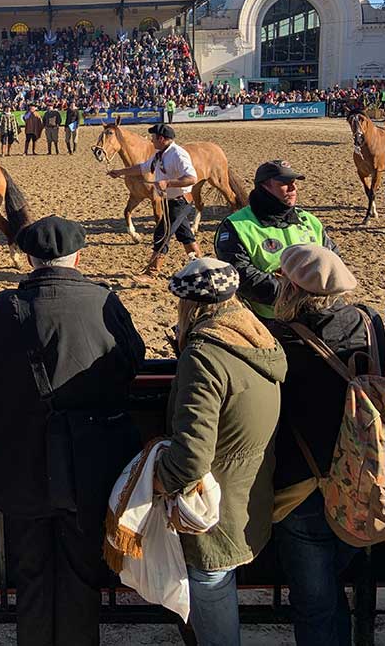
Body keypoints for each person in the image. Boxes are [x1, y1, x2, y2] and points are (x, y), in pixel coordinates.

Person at [0, 216, 144, 646]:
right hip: (88, 462)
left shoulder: (3, 307)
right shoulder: (104, 302)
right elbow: (132, 362)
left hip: (22, 461)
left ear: (29, 259)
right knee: (82, 575)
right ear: (79, 257)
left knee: (30, 575)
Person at [155, 258, 287, 646]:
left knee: (210, 582)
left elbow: (192, 454)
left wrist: (157, 480)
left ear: (190, 306)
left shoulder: (203, 354)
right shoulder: (258, 337)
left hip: (212, 509)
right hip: (248, 494)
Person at [270, 244, 385, 646]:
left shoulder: (277, 340)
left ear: (288, 289)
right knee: (350, 580)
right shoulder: (369, 325)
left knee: (314, 602)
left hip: (300, 488)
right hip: (363, 483)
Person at [215, 160, 338, 320]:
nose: (293, 189)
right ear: (264, 187)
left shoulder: (309, 220)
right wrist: (292, 297)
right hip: (267, 320)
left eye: (294, 183)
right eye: (284, 184)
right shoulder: (235, 226)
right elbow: (242, 276)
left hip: (316, 313)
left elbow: (333, 260)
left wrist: (311, 299)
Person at [108, 123, 200, 285]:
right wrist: (120, 172)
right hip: (171, 201)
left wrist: (168, 183)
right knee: (185, 235)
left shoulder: (178, 154)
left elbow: (192, 178)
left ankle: (152, 273)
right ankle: (200, 265)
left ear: (162, 139)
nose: (151, 141)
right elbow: (143, 168)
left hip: (180, 201)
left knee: (161, 234)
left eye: (153, 138)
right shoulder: (160, 154)